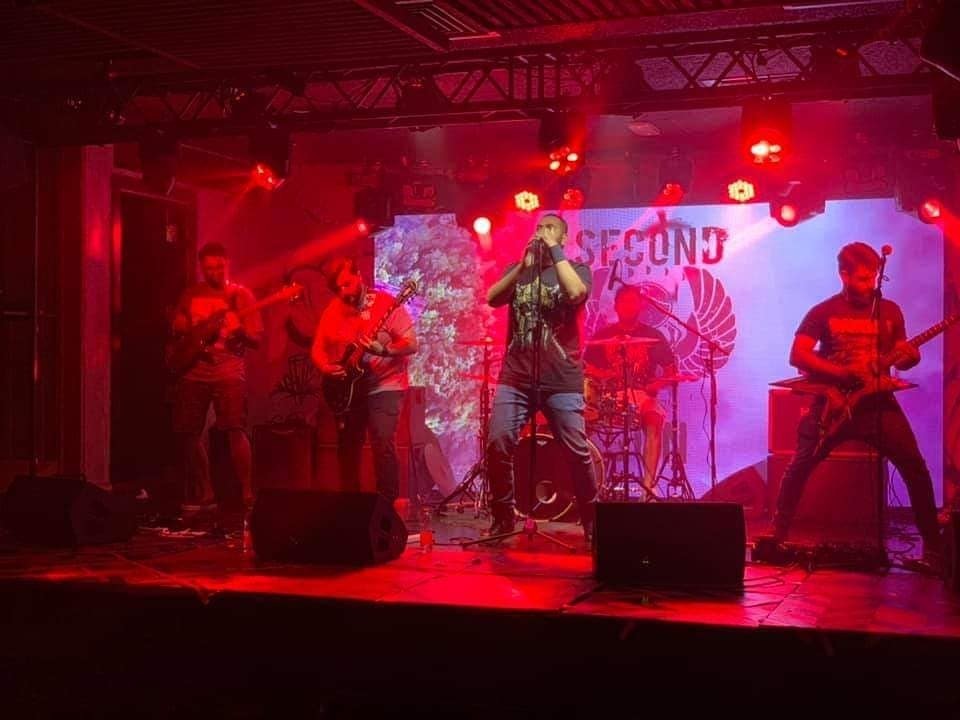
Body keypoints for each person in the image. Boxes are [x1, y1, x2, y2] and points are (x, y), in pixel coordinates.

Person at [769, 242, 941, 565]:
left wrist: (911, 358)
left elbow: (900, 358)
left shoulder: (890, 311)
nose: (870, 284)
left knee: (915, 468)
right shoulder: (823, 311)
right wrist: (843, 373)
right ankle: (776, 538)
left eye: (873, 277)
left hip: (877, 404)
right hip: (833, 403)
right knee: (801, 465)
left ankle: (934, 548)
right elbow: (798, 355)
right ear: (844, 275)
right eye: (862, 278)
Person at [485, 213, 597, 543]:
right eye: (539, 227)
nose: (542, 232)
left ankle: (593, 521)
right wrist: (522, 266)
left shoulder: (577, 269)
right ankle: (503, 517)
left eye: (550, 229)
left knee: (576, 451)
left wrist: (554, 252)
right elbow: (492, 298)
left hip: (561, 379)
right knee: (498, 442)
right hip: (516, 377)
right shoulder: (518, 270)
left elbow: (575, 293)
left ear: (563, 238)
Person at [311, 257, 418, 504]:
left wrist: (385, 350)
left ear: (359, 275)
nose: (343, 292)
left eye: (347, 284)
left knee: (382, 440)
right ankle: (351, 505)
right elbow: (318, 347)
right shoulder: (333, 310)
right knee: (348, 446)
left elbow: (412, 344)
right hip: (350, 390)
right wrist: (325, 367)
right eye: (338, 288)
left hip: (385, 384)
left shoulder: (386, 304)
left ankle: (386, 505)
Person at [171, 242, 262, 512]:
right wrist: (180, 326)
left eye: (219, 267)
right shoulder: (191, 294)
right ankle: (206, 491)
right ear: (201, 267)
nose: (214, 272)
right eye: (209, 268)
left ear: (227, 264)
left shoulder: (241, 296)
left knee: (235, 428)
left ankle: (247, 492)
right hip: (195, 370)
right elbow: (178, 327)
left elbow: (256, 338)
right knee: (188, 432)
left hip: (229, 370)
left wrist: (239, 331)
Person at [585, 283, 677, 498]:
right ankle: (586, 486)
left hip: (642, 396)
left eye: (633, 302)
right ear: (616, 306)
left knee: (654, 418)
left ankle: (649, 487)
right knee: (578, 421)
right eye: (624, 302)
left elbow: (672, 371)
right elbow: (586, 368)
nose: (628, 306)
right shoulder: (603, 335)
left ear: (641, 306)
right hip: (609, 397)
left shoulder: (653, 336)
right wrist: (605, 375)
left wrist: (656, 385)